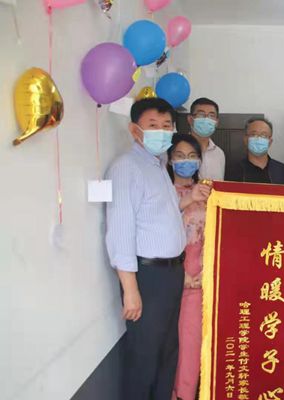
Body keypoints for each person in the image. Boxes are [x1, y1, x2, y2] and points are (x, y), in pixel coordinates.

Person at [105, 98, 189, 399]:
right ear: (134, 130)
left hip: (171, 274)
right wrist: (130, 289)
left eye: (167, 126)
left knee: (167, 350)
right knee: (144, 356)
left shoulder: (159, 165)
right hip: (148, 276)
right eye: (153, 125)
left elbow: (160, 217)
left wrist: (188, 201)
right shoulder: (126, 168)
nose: (162, 132)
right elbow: (120, 231)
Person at [167, 134, 211, 400]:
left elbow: (219, 234)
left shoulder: (209, 195)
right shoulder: (162, 192)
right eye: (180, 156)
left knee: (195, 347)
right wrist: (178, 274)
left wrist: (207, 270)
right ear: (170, 160)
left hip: (202, 282)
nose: (186, 161)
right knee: (174, 347)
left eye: (192, 156)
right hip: (172, 278)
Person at [225, 117, 284, 184]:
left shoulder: (282, 170)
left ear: (270, 142)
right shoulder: (233, 171)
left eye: (264, 135)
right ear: (245, 139)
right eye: (253, 134)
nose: (259, 139)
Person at [187, 97, 226, 180]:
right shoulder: (179, 149)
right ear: (190, 119)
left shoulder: (219, 154)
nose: (206, 119)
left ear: (216, 122)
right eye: (201, 114)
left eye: (211, 116)